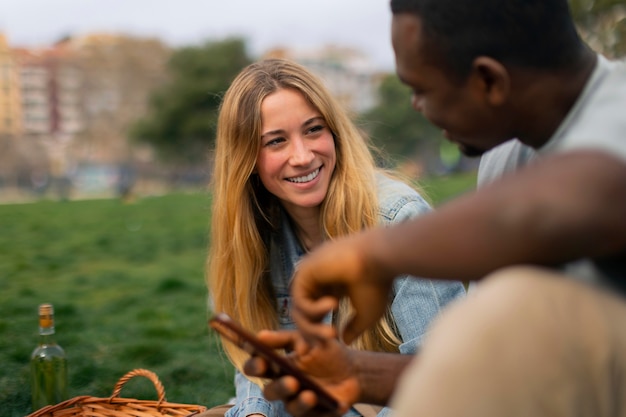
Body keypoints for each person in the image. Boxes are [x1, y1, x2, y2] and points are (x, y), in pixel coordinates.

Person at [242, 1, 626, 416]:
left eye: (421, 89)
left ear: (488, 81)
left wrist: (367, 255)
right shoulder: (505, 156)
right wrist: (355, 372)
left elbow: (574, 199)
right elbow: (493, 372)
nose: (415, 106)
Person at [205, 58, 466, 417]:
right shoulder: (256, 235)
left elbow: (446, 387)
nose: (302, 156)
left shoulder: (398, 219)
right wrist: (253, 413)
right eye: (276, 141)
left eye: (313, 130)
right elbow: (260, 364)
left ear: (335, 133)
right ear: (245, 158)